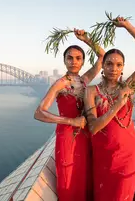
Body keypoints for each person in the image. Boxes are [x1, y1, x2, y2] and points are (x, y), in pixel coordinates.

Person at [84, 17, 135, 201]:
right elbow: (93, 127)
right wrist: (117, 104)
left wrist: (127, 26)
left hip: (127, 152)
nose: (113, 69)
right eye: (109, 64)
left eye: (118, 65)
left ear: (123, 68)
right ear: (103, 66)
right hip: (104, 155)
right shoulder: (91, 91)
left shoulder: (128, 85)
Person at [34, 29, 104, 201]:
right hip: (67, 136)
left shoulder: (84, 80)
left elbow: (102, 56)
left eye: (78, 58)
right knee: (68, 176)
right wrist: (71, 121)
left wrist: (85, 39)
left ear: (82, 61)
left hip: (85, 136)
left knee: (84, 175)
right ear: (64, 61)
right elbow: (39, 113)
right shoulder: (60, 83)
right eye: (70, 58)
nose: (74, 61)